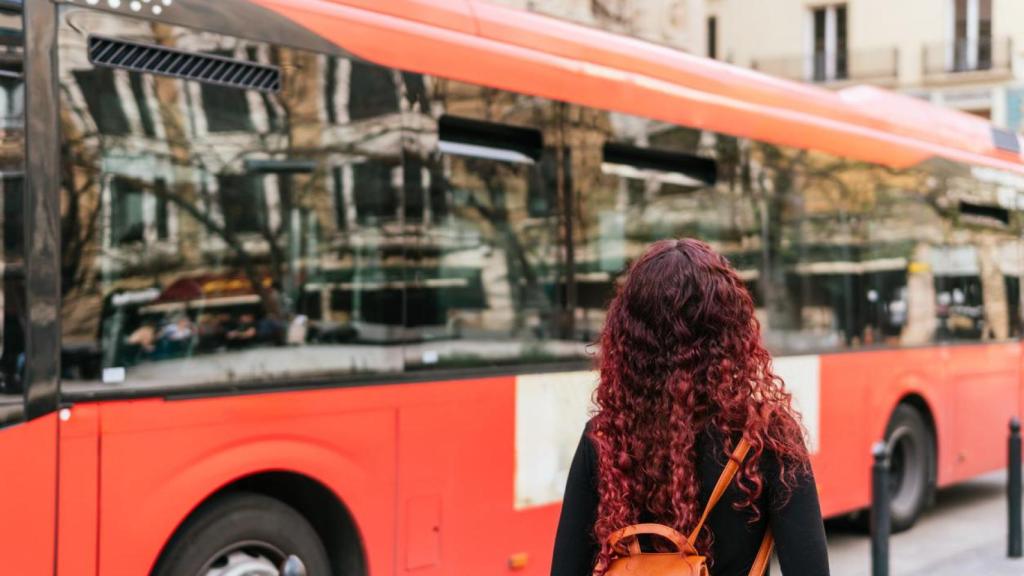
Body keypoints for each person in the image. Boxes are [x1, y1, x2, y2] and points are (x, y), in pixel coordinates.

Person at [551, 239, 829, 576]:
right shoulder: (766, 436)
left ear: (628, 335)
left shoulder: (606, 436)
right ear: (731, 331)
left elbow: (566, 568)